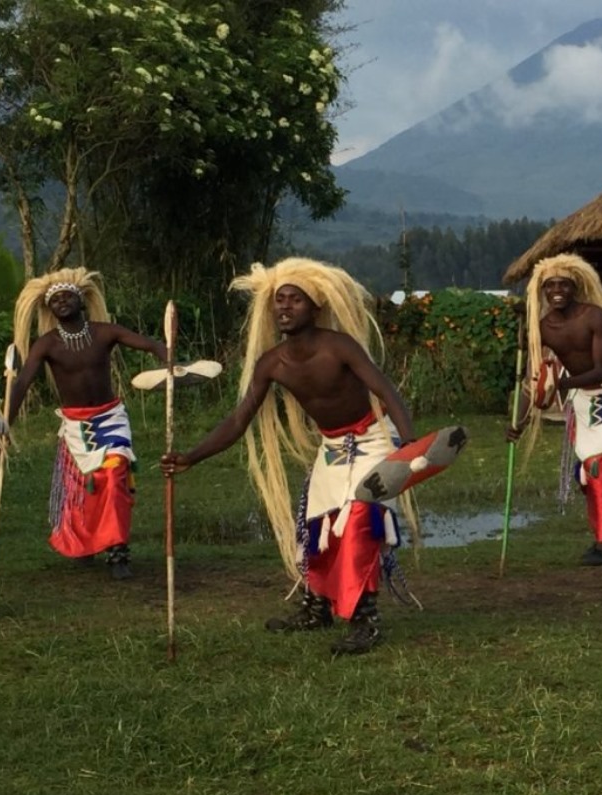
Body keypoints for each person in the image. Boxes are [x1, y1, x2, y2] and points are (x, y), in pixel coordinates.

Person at [160, 258, 416, 656]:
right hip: (332, 450)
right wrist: (192, 456)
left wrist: (410, 448)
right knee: (317, 529)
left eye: (295, 300)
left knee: (361, 522)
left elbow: (387, 392)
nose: (285, 307)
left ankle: (365, 620)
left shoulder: (340, 346)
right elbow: (238, 420)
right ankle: (317, 608)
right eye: (280, 300)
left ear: (315, 307)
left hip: (373, 441)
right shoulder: (272, 363)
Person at [8, 268, 167, 579]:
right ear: (49, 309)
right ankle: (86, 542)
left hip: (110, 419)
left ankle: (118, 549)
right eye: (55, 299)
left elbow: (149, 345)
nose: (62, 302)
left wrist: (167, 355)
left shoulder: (104, 332)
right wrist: (6, 422)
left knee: (115, 471)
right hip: (76, 425)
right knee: (84, 488)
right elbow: (24, 381)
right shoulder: (47, 344)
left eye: (68, 296)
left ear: (81, 301)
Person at [507, 253, 602, 566]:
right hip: (581, 395)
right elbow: (532, 380)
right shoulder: (542, 329)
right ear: (542, 290)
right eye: (550, 285)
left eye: (563, 284)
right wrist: (519, 422)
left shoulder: (593, 316)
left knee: (600, 466)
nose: (557, 290)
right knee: (586, 476)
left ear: (574, 287)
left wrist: (562, 386)